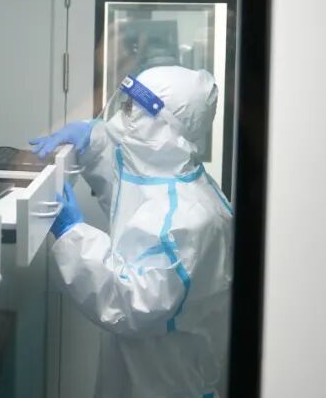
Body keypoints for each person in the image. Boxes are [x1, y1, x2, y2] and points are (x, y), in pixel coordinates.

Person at [29, 65, 233, 398]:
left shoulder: (190, 220)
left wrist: (73, 234)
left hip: (168, 386)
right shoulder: (167, 179)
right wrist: (92, 140)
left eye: (131, 109)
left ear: (166, 127)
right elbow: (129, 191)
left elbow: (132, 304)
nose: (121, 116)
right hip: (140, 371)